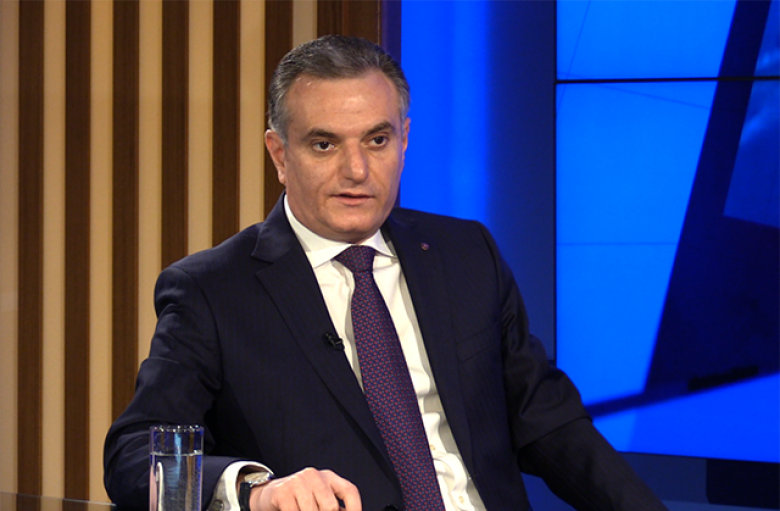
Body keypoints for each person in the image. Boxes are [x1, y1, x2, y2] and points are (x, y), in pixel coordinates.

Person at [104, 35, 667, 511]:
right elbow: (136, 454)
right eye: (324, 144)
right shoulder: (212, 290)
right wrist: (256, 488)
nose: (356, 170)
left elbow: (548, 423)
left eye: (377, 140)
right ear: (279, 155)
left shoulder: (465, 253)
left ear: (404, 139)